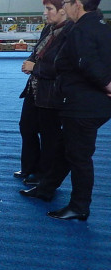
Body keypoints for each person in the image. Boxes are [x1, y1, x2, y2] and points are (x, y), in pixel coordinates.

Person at [20, 0, 111, 221]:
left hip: (83, 104)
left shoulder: (81, 29)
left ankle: (80, 206)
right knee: (64, 149)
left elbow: (87, 63)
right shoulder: (100, 25)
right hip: (85, 102)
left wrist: (108, 85)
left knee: (79, 157)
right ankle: (45, 189)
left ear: (76, 4)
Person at [16, 0, 73, 185]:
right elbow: (38, 52)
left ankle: (44, 174)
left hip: (52, 94)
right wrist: (30, 62)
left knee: (50, 136)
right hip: (34, 89)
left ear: (63, 11)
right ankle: (29, 167)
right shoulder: (48, 28)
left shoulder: (71, 33)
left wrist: (36, 67)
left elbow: (64, 66)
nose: (45, 13)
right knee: (27, 127)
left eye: (49, 9)